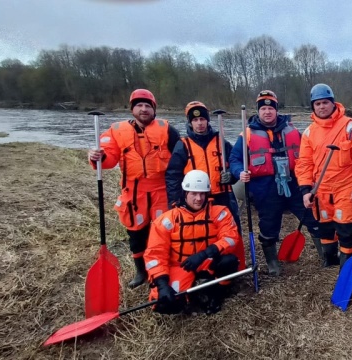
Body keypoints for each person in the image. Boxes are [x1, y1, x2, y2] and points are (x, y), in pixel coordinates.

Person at [87, 89, 180, 288]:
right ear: (132, 109)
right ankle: (141, 271)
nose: (144, 109)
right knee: (136, 234)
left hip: (161, 191)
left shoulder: (167, 130)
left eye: (148, 106)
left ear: (154, 110)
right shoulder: (116, 131)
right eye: (139, 106)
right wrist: (98, 157)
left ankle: (162, 269)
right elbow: (109, 158)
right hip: (134, 193)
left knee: (163, 233)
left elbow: (181, 157)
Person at [230, 90, 321, 276]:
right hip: (265, 187)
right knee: (269, 224)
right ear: (258, 111)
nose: (267, 112)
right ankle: (272, 263)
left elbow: (309, 154)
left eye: (270, 108)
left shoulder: (293, 130)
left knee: (312, 217)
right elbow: (234, 158)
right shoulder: (246, 134)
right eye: (263, 108)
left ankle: (325, 255)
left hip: (294, 183)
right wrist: (240, 172)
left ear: (276, 110)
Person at [144, 170, 242, 315]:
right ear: (185, 193)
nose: (199, 198)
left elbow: (231, 238)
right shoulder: (167, 220)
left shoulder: (220, 213)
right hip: (181, 266)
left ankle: (218, 293)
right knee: (165, 304)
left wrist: (204, 254)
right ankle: (192, 294)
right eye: (194, 194)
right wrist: (162, 284)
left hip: (207, 262)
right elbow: (155, 255)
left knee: (229, 261)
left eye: (202, 193)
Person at [165, 101, 245, 271]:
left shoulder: (221, 142)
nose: (199, 123)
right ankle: (204, 267)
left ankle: (237, 267)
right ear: (190, 122)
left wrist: (231, 176)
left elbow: (235, 163)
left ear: (208, 121)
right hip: (196, 199)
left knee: (232, 231)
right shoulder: (183, 145)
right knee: (201, 233)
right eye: (195, 120)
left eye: (202, 119)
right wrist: (175, 200)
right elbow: (173, 175)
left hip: (222, 195)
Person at [295, 84, 352, 268]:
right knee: (325, 226)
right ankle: (330, 261)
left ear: (333, 103)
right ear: (313, 106)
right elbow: (304, 163)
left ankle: (346, 264)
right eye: (318, 104)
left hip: (346, 187)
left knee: (346, 226)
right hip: (320, 189)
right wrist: (305, 190)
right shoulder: (309, 132)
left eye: (325, 103)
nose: (322, 107)